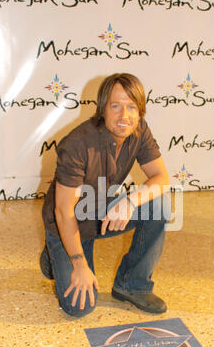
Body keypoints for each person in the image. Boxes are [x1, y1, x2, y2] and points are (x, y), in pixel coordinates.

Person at [40, 72, 171, 318]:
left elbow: (162, 178)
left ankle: (132, 285)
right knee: (80, 307)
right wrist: (79, 265)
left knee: (159, 203)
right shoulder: (77, 144)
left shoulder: (139, 130)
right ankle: (53, 255)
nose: (125, 116)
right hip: (67, 222)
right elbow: (63, 211)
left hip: (101, 208)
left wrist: (131, 201)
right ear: (102, 109)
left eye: (132, 106)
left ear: (140, 110)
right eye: (116, 106)